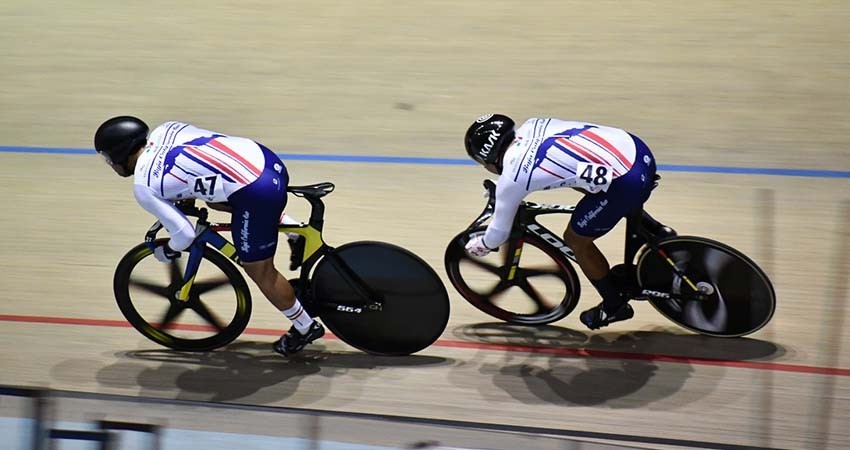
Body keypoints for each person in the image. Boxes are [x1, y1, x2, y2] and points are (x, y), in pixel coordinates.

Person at [94, 116, 324, 355]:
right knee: (218, 200)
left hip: (257, 192)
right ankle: (293, 230)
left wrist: (169, 251)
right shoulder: (166, 128)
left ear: (118, 155)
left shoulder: (144, 186)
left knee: (259, 270)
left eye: (107, 158)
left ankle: (305, 327)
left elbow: (184, 235)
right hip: (265, 160)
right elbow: (201, 164)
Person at [463, 113, 665, 330]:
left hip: (627, 182)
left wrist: (481, 245)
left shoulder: (512, 179)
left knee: (575, 240)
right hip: (636, 150)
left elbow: (498, 235)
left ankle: (614, 305)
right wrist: (505, 188)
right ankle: (656, 231)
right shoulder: (532, 124)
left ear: (488, 159)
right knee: (578, 177)